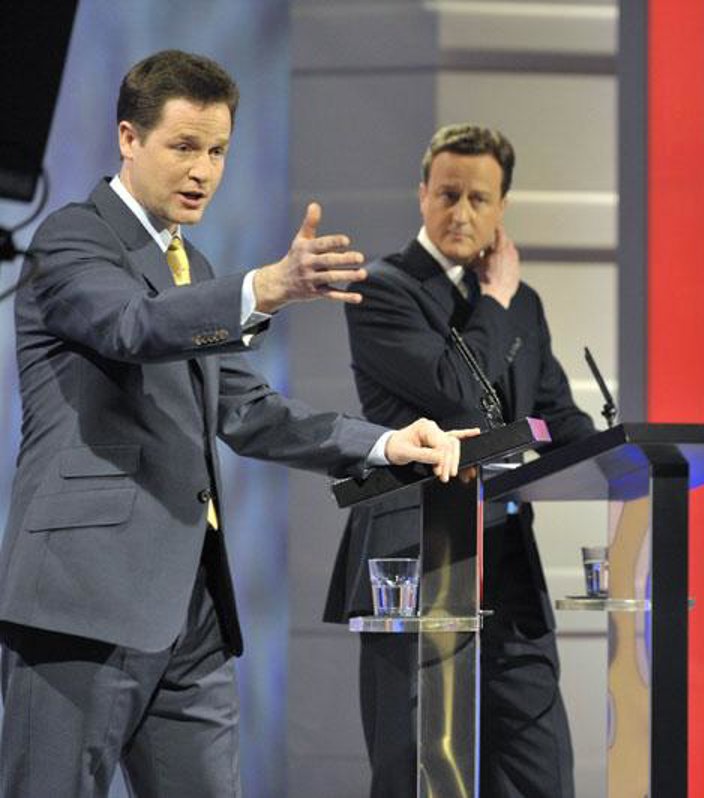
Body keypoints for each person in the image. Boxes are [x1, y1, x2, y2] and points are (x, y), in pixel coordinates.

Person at [0, 50, 470, 797]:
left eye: (217, 151)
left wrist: (385, 443)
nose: (203, 172)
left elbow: (249, 411)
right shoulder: (72, 239)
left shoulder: (192, 264)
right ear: (128, 138)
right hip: (81, 601)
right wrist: (263, 288)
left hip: (191, 613)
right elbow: (131, 325)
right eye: (184, 146)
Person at [324, 124, 595, 797]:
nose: (462, 212)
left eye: (480, 198)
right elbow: (459, 396)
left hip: (508, 565)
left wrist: (619, 454)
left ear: (503, 207)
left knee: (539, 771)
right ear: (422, 194)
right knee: (421, 771)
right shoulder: (381, 288)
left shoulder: (522, 302)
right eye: (448, 194)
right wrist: (497, 300)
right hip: (415, 563)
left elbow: (556, 415)